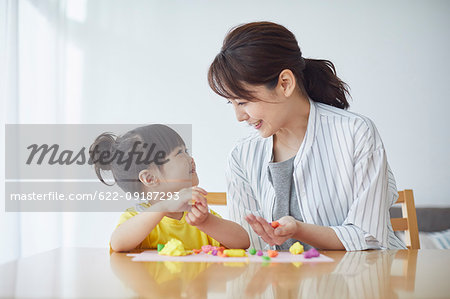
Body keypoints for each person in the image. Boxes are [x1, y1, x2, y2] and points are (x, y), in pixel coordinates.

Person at [208, 21, 406, 251]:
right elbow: (250, 243)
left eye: (243, 101)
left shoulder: (355, 133)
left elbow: (368, 236)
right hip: (280, 284)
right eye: (231, 103)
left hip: (360, 279)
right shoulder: (242, 155)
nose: (239, 116)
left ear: (285, 83)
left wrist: (300, 229)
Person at [89, 124, 250, 251]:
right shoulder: (137, 217)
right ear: (150, 178)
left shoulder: (197, 214)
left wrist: (206, 222)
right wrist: (165, 206)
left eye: (186, 150)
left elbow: (243, 242)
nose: (191, 158)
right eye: (180, 153)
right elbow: (118, 243)